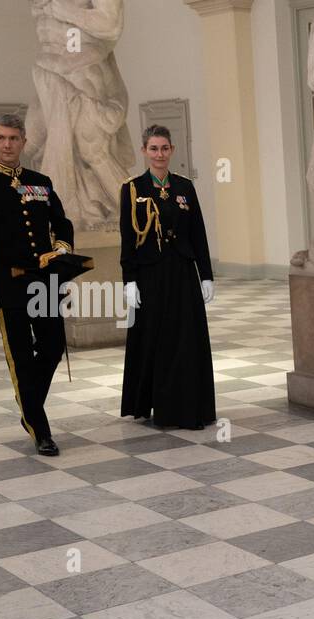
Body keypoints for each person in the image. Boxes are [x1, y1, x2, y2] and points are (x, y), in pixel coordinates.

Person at [0, 112, 74, 457]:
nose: (8, 144)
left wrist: (61, 249)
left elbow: (62, 223)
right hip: (9, 288)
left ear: (24, 141)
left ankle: (26, 400)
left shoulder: (41, 182)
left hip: (44, 284)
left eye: (14, 138)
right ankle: (40, 430)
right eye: (1, 138)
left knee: (53, 347)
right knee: (22, 359)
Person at [119, 124, 216, 429]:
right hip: (150, 274)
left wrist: (206, 275)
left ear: (172, 150)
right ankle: (155, 404)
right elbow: (127, 238)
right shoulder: (133, 189)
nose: (159, 154)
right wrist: (129, 280)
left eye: (164, 148)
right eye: (153, 148)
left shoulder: (185, 187)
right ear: (144, 151)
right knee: (155, 340)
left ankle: (188, 405)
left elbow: (198, 232)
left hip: (182, 272)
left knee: (186, 339)